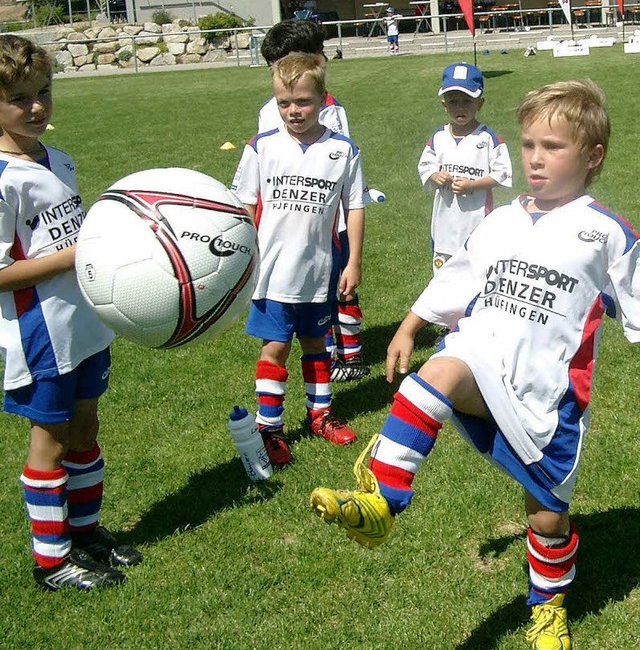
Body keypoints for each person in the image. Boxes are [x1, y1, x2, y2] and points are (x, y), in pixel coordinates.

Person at [311, 79, 640, 650]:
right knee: (440, 371)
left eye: (553, 147)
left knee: (546, 520)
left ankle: (548, 611)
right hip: (481, 360)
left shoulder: (606, 235)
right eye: (529, 145)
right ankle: (382, 501)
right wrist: (412, 325)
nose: (535, 158)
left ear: (592, 157)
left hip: (547, 399)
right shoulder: (501, 221)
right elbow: (458, 278)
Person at [0, 35, 143, 591]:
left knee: (86, 427)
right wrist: (74, 254)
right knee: (51, 439)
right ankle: (51, 561)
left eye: (44, 92)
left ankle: (85, 533)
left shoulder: (57, 159)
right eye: (20, 99)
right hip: (40, 332)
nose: (37, 107)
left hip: (84, 320)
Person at [231, 52, 365, 467]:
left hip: (320, 269)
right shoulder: (262, 147)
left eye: (303, 102)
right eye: (284, 103)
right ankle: (269, 428)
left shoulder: (342, 150)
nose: (293, 111)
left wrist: (353, 261)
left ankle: (319, 414)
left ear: (323, 99)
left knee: (315, 345)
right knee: (274, 347)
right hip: (271, 272)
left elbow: (355, 206)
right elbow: (241, 206)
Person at [258, 20, 371, 383]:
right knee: (308, 296)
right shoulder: (270, 114)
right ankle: (333, 352)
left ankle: (350, 354)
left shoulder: (331, 109)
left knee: (340, 286)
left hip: (329, 220)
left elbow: (340, 164)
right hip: (290, 221)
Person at [418, 62, 512, 274]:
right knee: (442, 280)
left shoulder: (488, 139)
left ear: (480, 103)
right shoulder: (438, 137)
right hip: (444, 227)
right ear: (444, 105)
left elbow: (502, 173)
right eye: (453, 101)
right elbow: (425, 165)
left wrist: (474, 185)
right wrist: (434, 175)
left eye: (467, 101)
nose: (460, 107)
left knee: (475, 278)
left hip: (477, 222)